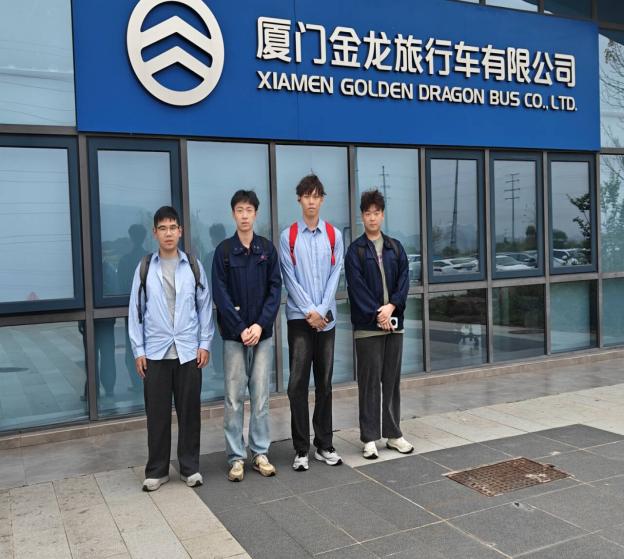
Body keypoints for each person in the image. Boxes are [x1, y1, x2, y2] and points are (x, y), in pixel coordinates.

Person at [128, 206, 214, 491]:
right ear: (155, 233)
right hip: (156, 352)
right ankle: (157, 470)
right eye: (162, 228)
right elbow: (135, 311)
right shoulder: (145, 268)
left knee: (190, 413)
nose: (168, 233)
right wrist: (139, 350)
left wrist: (205, 343)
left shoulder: (192, 266)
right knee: (157, 415)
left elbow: (204, 307)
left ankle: (190, 467)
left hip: (188, 351)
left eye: (173, 228)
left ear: (181, 231)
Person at [212, 190, 281, 482]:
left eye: (249, 210)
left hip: (261, 335)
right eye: (239, 210)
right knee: (233, 398)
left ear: (256, 214)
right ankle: (236, 457)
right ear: (233, 214)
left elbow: (275, 290)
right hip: (234, 335)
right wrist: (241, 327)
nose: (244, 215)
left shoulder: (267, 249)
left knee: (261, 396)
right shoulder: (224, 251)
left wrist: (260, 326)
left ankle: (260, 452)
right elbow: (220, 294)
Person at [279, 174, 344, 472]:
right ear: (299, 199)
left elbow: (335, 274)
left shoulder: (333, 235)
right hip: (300, 319)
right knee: (297, 385)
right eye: (306, 196)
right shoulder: (289, 236)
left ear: (322, 199)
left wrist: (321, 311)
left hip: (326, 320)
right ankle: (301, 449)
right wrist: (310, 311)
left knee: (325, 385)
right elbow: (289, 278)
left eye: (316, 196)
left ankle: (324, 444)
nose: (311, 201)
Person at [344, 189, 413, 459]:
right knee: (370, 383)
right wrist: (377, 314)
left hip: (394, 324)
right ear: (362, 216)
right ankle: (369, 438)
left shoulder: (395, 247)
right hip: (368, 328)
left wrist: (392, 307)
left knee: (392, 381)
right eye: (368, 213)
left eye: (376, 213)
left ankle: (394, 434)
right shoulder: (356, 251)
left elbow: (404, 280)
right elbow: (356, 288)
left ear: (382, 215)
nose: (372, 218)